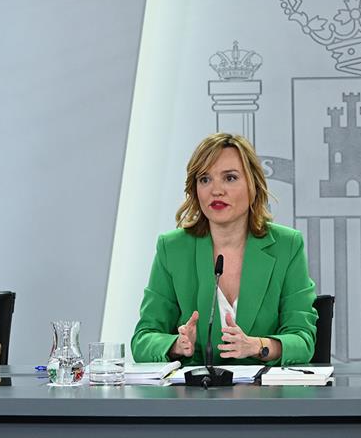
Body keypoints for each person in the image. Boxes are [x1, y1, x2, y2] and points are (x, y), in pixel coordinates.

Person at [131, 133, 317, 365]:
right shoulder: (173, 248)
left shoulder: (286, 245)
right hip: (194, 397)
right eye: (205, 179)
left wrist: (258, 346)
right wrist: (176, 346)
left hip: (265, 397)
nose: (216, 190)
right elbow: (142, 340)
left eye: (229, 178)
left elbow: (303, 340)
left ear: (253, 186)